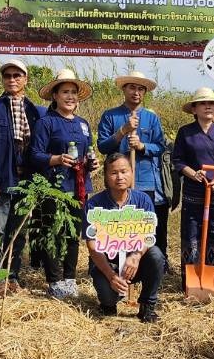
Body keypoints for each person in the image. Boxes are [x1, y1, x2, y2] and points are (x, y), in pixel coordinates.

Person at [30, 68, 97, 299]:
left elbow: (88, 152)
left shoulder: (83, 124)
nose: (70, 96)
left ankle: (69, 277)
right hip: (54, 187)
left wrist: (91, 163)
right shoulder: (46, 123)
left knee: (72, 233)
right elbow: (34, 154)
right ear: (55, 96)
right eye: (65, 92)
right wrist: (56, 159)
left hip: (79, 187)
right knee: (53, 232)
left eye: (73, 92)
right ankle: (54, 279)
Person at [0, 59, 41, 285]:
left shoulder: (33, 111)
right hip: (2, 181)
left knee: (18, 232)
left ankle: (12, 275)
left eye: (17, 75)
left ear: (25, 79)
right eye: (8, 76)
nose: (12, 80)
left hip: (25, 181)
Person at [97, 70, 170, 263]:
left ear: (144, 92)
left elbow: (161, 146)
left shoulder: (151, 118)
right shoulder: (110, 116)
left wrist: (142, 146)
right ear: (124, 89)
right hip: (118, 182)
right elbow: (103, 146)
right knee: (119, 225)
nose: (136, 92)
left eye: (140, 89)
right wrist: (123, 131)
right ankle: (117, 262)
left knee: (149, 225)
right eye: (132, 87)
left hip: (145, 181)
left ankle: (154, 264)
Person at [84, 154, 166, 321]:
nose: (119, 177)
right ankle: (108, 304)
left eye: (124, 171)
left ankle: (147, 306)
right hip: (107, 264)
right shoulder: (94, 204)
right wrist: (110, 275)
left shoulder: (143, 200)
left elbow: (149, 236)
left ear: (132, 173)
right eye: (114, 173)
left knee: (156, 255)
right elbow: (92, 245)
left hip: (134, 264)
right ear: (106, 176)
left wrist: (135, 256)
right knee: (108, 297)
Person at [173, 87, 214, 296]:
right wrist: (193, 174)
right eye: (202, 103)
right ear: (194, 108)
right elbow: (177, 160)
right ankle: (191, 284)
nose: (207, 106)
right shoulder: (185, 132)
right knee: (192, 237)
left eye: (211, 103)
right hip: (194, 191)